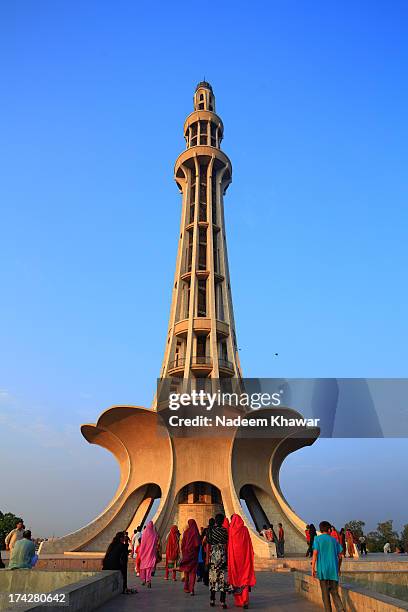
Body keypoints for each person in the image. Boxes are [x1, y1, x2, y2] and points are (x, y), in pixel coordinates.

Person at [312, 521, 344, 612]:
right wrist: (338, 568)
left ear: (321, 529)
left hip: (323, 571)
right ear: (329, 529)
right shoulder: (334, 540)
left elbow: (315, 553)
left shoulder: (317, 539)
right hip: (333, 570)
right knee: (334, 593)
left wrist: (313, 568)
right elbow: (340, 556)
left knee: (325, 595)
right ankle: (341, 609)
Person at [228, 514, 256, 609]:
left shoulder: (231, 530)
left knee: (236, 579)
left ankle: (239, 601)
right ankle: (245, 600)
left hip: (235, 559)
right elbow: (249, 543)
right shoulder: (244, 529)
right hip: (244, 559)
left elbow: (230, 545)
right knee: (245, 578)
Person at [207, 513, 228, 609]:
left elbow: (208, 541)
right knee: (222, 579)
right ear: (223, 521)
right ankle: (222, 601)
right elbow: (226, 541)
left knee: (213, 579)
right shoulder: (224, 531)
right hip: (222, 556)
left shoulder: (211, 530)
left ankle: (212, 600)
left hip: (214, 556)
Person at [179, 518, 201, 595]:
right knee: (193, 573)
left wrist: (184, 552)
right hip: (194, 555)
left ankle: (186, 587)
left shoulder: (186, 532)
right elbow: (198, 544)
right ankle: (192, 589)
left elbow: (183, 544)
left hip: (187, 555)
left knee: (186, 571)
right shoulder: (196, 533)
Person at [138, 520, 159, 588]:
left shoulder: (144, 533)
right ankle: (148, 580)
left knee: (143, 567)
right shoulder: (154, 534)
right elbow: (156, 541)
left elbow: (142, 544)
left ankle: (144, 580)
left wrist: (141, 553)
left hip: (144, 554)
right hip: (151, 554)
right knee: (149, 568)